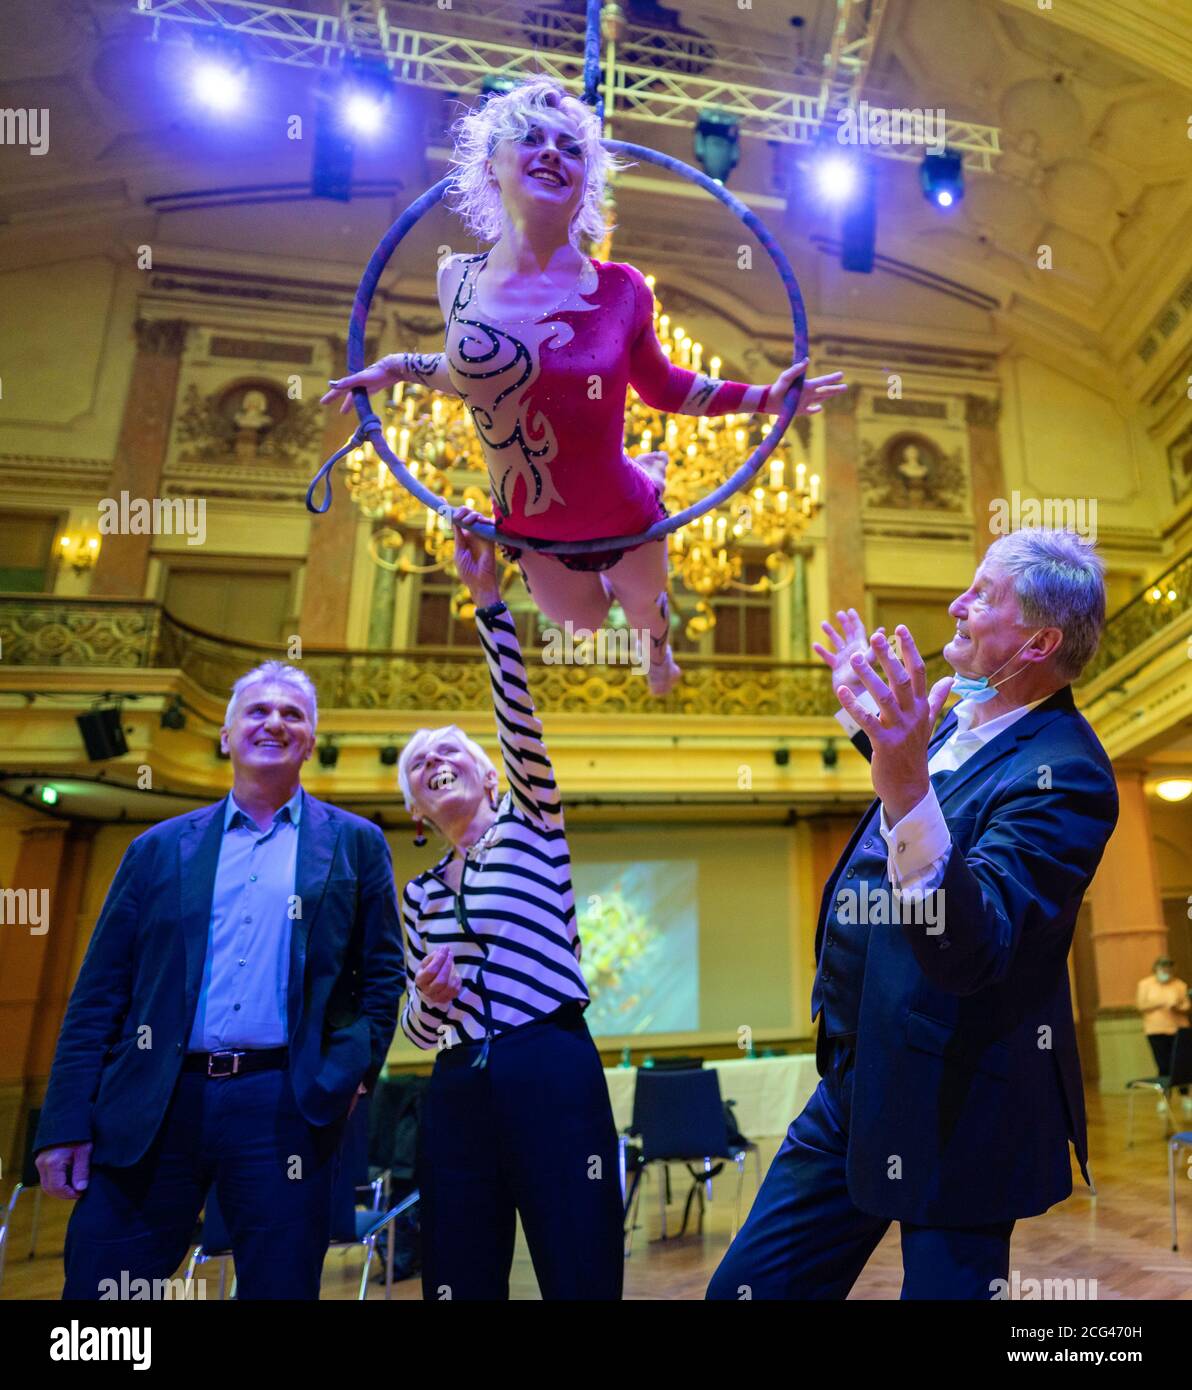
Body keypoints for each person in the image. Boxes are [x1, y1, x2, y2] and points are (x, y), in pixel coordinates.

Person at [321, 75, 846, 696]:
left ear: (585, 182)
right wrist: (402, 366)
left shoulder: (621, 287)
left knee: (649, 614)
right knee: (585, 624)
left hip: (623, 514)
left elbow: (662, 387)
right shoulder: (454, 278)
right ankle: (647, 476)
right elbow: (490, 373)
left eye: (570, 147)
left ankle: (658, 635)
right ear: (492, 164)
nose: (551, 152)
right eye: (531, 138)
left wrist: (763, 397)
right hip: (531, 528)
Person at [707, 527, 1119, 1300]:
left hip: (958, 1105)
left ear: (1038, 642)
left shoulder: (1067, 773)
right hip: (855, 1087)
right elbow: (927, 788)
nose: (958, 605)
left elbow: (975, 946)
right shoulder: (958, 719)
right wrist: (872, 720)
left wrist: (900, 779)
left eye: (984, 595)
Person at [34, 662, 404, 1300]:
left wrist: (353, 1073)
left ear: (311, 742)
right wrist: (65, 1122)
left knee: (281, 1287)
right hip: (155, 1100)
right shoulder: (157, 848)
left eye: (293, 714)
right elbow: (100, 991)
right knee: (105, 1295)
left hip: (285, 1106)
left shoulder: (356, 845)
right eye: (257, 711)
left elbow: (381, 975)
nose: (275, 722)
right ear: (227, 736)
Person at [394, 506, 623, 1300]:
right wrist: (428, 1002)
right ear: (417, 812)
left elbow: (518, 722)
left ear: (491, 776)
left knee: (578, 1255)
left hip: (549, 1062)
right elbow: (417, 1031)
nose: (436, 762)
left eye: (450, 750)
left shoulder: (532, 825)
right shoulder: (418, 892)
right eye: (420, 766)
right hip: (456, 1083)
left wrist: (488, 599)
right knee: (458, 1267)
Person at [1136, 956, 1192, 1110]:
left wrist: (1177, 1007)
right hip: (1155, 1030)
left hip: (1177, 1029)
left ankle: (1186, 1096)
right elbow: (1141, 1005)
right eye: (1163, 968)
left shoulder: (1179, 984)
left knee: (1181, 1064)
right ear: (1156, 969)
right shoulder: (1145, 984)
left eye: (1169, 968)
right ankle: (1164, 1099)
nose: (1166, 971)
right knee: (1163, 1064)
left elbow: (1186, 1005)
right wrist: (1161, 1002)